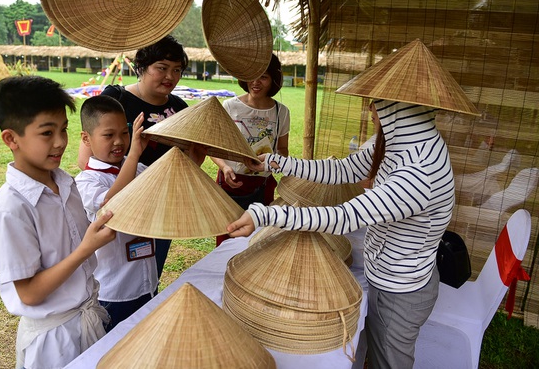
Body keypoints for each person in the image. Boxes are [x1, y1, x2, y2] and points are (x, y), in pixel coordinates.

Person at [227, 100, 455, 369]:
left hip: (401, 289)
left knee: (390, 362)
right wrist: (277, 162)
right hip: (387, 273)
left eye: (377, 104)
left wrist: (266, 215)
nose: (369, 110)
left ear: (397, 109)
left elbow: (345, 216)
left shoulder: (420, 171)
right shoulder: (400, 142)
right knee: (375, 350)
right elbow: (344, 169)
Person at [0, 76, 117, 369]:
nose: (60, 143)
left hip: (86, 319)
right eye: (47, 133)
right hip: (53, 341)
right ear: (11, 139)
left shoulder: (66, 183)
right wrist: (86, 248)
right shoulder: (12, 209)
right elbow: (30, 293)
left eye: (64, 130)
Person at [77, 35, 197, 284]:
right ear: (142, 67)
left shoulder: (180, 108)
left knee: (150, 272)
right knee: (117, 275)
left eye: (177, 70)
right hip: (119, 206)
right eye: (161, 68)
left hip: (163, 206)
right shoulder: (118, 98)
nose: (170, 77)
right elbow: (84, 160)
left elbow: (186, 164)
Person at [75, 95, 157, 330]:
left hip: (146, 283)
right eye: (108, 135)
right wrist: (133, 155)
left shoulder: (140, 169)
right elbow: (113, 204)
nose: (119, 141)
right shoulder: (87, 181)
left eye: (125, 132)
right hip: (114, 292)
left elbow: (167, 187)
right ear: (86, 138)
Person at [211, 53, 290, 245]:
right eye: (251, 76)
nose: (255, 82)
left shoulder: (281, 112)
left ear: (273, 79)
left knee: (257, 239)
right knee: (227, 235)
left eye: (263, 77)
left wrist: (269, 163)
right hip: (230, 182)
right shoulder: (230, 106)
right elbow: (213, 148)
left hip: (262, 186)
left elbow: (283, 149)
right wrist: (225, 167)